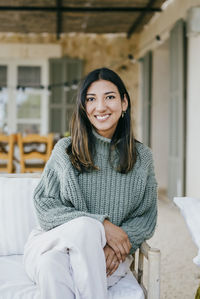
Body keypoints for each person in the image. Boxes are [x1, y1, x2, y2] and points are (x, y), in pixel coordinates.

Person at [23, 67, 158, 299]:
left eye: (110, 97)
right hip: (52, 244)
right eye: (91, 99)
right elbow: (44, 206)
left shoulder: (142, 157)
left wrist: (116, 247)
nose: (101, 107)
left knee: (50, 268)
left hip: (106, 256)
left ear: (124, 103)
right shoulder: (65, 150)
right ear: (84, 107)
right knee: (84, 229)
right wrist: (102, 225)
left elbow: (146, 217)